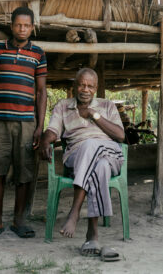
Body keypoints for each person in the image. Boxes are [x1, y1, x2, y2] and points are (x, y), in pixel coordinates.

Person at [40, 68, 124, 257]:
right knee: (98, 165)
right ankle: (92, 235)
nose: (85, 89)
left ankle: (75, 211)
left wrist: (94, 115)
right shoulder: (63, 106)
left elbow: (120, 135)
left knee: (93, 147)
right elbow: (52, 131)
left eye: (90, 86)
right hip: (78, 157)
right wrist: (45, 140)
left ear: (96, 88)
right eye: (81, 84)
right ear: (75, 86)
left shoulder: (107, 105)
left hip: (110, 154)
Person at [0, 7, 47, 239]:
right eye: (18, 25)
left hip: (27, 123)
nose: (22, 29)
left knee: (24, 171)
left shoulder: (38, 53)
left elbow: (41, 91)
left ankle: (19, 220)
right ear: (12, 25)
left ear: (32, 27)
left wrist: (39, 126)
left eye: (27, 25)